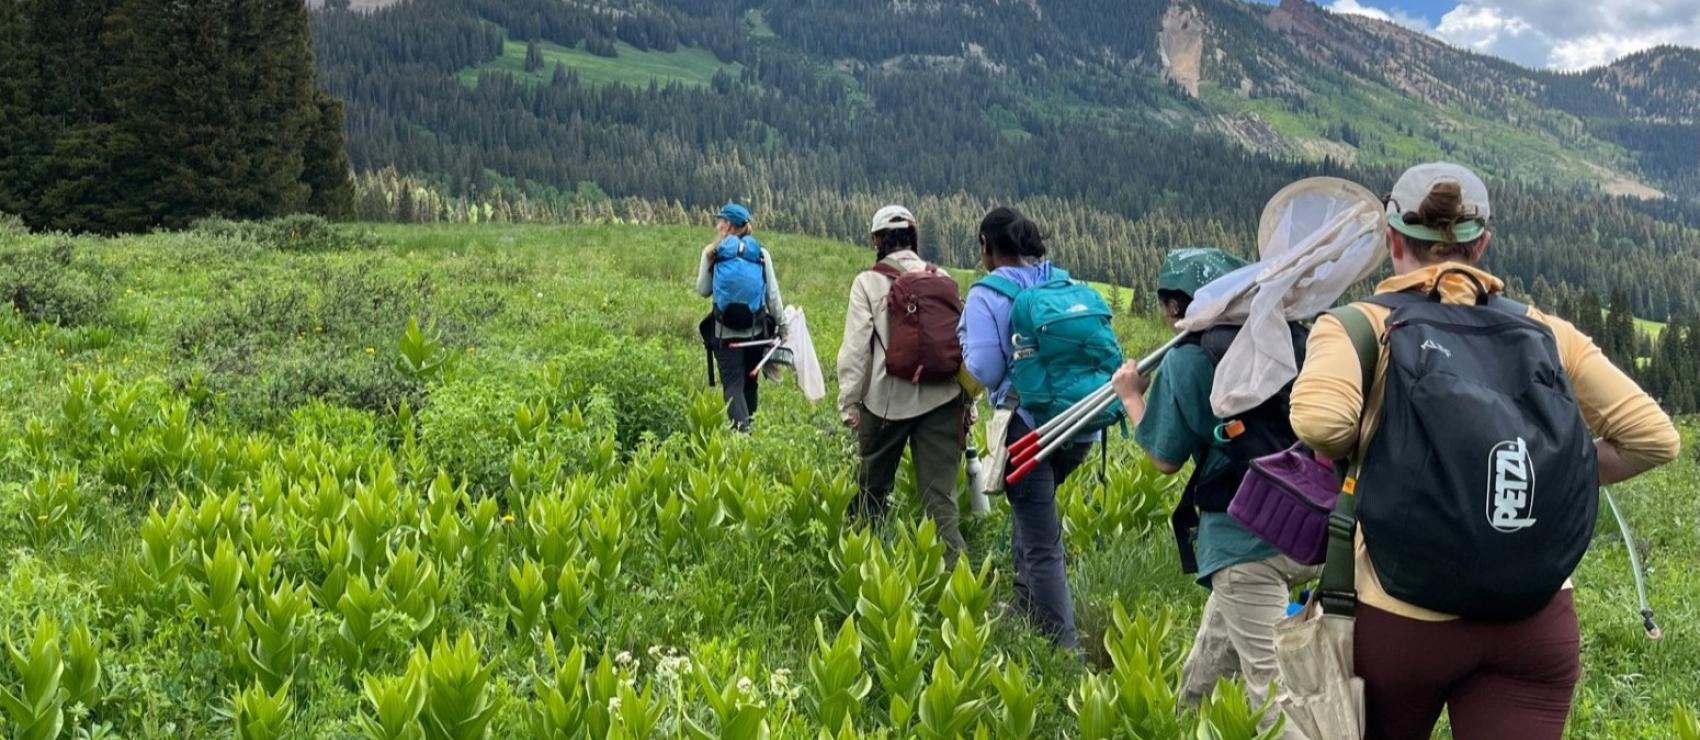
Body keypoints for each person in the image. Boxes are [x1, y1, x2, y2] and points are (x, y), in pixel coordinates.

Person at [1288, 162, 1681, 740]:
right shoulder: (1547, 330)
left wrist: (1387, 452)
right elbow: (1655, 439)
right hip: (1535, 619)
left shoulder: (1358, 326)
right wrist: (1541, 474)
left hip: (1399, 616)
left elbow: (1321, 423)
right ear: (1483, 244)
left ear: (1392, 239)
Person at [1109, 248, 1320, 738]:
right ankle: (1180, 724)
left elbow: (1164, 458)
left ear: (1174, 306)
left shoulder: (1188, 358)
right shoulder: (1291, 338)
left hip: (1243, 539)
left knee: (1271, 692)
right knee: (1211, 657)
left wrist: (1132, 396)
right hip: (1308, 526)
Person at [958, 206, 1090, 649]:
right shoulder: (1063, 282)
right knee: (1031, 514)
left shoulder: (987, 294)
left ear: (987, 247)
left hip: (1028, 428)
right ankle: (1023, 603)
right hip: (1080, 423)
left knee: (1042, 545)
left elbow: (986, 368)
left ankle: (1061, 650)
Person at [837, 205, 970, 559]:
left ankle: (863, 564)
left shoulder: (867, 282)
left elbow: (855, 350)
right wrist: (969, 404)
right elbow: (962, 343)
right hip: (944, 397)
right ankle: (954, 588)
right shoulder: (941, 276)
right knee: (940, 499)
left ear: (877, 240)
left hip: (885, 401)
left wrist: (849, 402)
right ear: (913, 236)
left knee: (871, 491)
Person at [696, 203, 785, 432]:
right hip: (755, 333)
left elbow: (703, 290)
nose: (717, 225)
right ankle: (750, 430)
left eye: (720, 221)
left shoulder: (712, 252)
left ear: (728, 225)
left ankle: (740, 435)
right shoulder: (761, 254)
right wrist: (782, 326)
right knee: (750, 382)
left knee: (732, 384)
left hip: (725, 333)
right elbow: (772, 296)